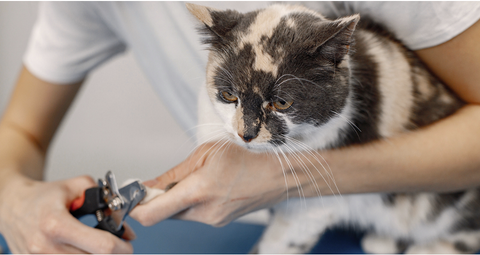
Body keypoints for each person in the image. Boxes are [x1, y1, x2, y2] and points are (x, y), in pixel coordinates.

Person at [1, 1, 480, 253]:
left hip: (439, 210)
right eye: (227, 98)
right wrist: (14, 201)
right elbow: (20, 130)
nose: (244, 132)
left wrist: (284, 179)